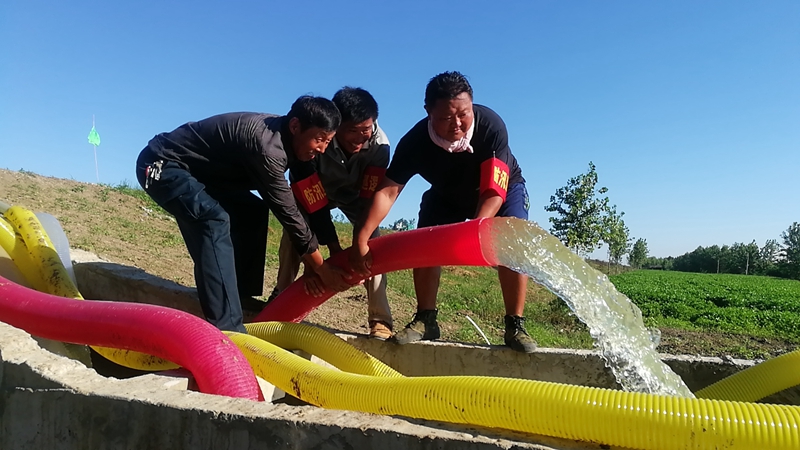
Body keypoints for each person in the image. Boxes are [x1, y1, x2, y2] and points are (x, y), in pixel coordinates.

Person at [349, 71, 536, 353]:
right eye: (446, 117)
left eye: (463, 114)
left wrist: (476, 230)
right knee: (425, 238)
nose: (457, 124)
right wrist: (362, 237)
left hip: (502, 191)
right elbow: (388, 192)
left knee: (513, 240)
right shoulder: (415, 142)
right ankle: (426, 319)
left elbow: (492, 192)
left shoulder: (491, 126)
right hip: (447, 194)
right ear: (428, 112)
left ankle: (515, 325)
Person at [135, 96, 352, 333]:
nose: (322, 149)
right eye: (319, 139)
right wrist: (321, 268)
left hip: (203, 177)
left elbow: (314, 200)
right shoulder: (267, 147)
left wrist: (335, 249)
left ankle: (239, 297)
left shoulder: (300, 148)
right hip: (162, 164)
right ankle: (228, 328)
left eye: (327, 141)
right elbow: (289, 213)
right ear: (295, 126)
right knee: (213, 220)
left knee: (251, 212)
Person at [271, 87, 394, 340]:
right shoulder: (315, 138)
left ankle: (380, 318)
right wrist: (324, 256)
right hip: (314, 194)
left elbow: (368, 200)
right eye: (352, 131)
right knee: (294, 232)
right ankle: (281, 296)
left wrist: (359, 242)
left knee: (373, 242)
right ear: (336, 126)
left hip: (357, 197)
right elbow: (312, 201)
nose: (360, 139)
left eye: (366, 130)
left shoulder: (380, 146)